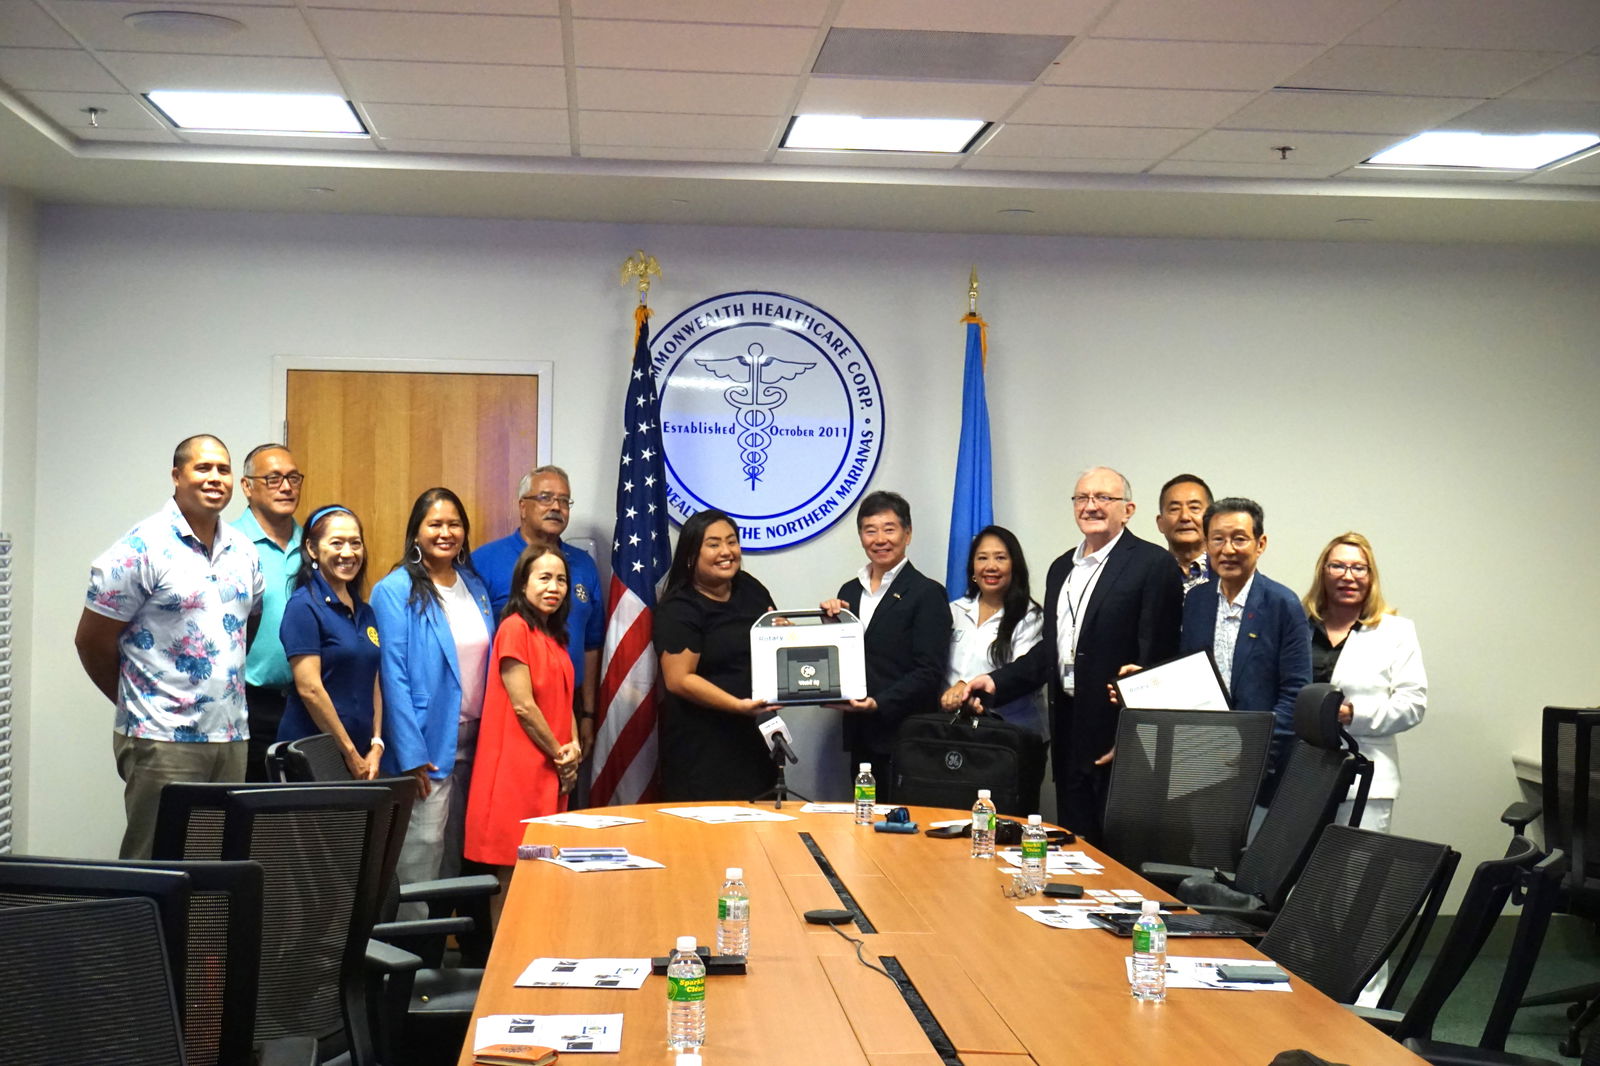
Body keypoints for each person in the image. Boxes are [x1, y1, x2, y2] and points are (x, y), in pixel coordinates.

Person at [957, 468, 1181, 842]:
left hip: (1119, 737)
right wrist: (996, 681)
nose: (1091, 506)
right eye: (1082, 498)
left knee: (1119, 855)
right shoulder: (1062, 568)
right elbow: (1052, 650)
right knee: (1075, 848)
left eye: (1103, 498)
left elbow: (1159, 657)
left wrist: (1136, 734)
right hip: (1068, 730)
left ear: (1128, 510)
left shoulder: (1152, 564)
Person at [75, 434, 263, 859]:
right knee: (156, 861)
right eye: (203, 468)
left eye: (223, 469)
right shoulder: (141, 548)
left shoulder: (243, 550)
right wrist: (138, 699)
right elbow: (91, 640)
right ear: (177, 476)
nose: (215, 478)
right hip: (161, 736)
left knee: (218, 863)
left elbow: (246, 625)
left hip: (230, 734)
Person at [373, 487, 495, 887]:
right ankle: (411, 930)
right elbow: (392, 674)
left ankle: (444, 929)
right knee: (421, 854)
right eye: (435, 524)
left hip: (476, 742)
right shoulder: (394, 589)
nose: (446, 533)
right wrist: (410, 753)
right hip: (426, 742)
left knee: (456, 855)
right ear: (416, 532)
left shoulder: (474, 586)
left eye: (454, 524)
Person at [821, 491, 950, 800]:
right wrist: (829, 627)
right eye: (870, 530)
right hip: (861, 735)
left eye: (889, 529)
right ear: (861, 536)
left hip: (906, 737)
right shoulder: (849, 592)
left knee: (901, 823)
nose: (880, 539)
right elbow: (848, 657)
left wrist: (879, 703)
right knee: (863, 819)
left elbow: (929, 671)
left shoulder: (927, 593)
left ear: (908, 533)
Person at [471, 465, 605, 758]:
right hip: (510, 705)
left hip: (570, 707)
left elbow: (592, 645)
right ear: (523, 506)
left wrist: (588, 714)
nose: (556, 507)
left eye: (564, 500)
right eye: (545, 497)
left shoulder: (584, 565)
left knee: (566, 783)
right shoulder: (484, 561)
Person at [465, 546, 579, 875]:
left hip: (550, 766)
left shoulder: (554, 635)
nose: (553, 587)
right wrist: (561, 756)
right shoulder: (514, 628)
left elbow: (565, 699)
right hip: (517, 772)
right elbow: (524, 706)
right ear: (523, 584)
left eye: (561, 580)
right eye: (544, 578)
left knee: (541, 866)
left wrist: (574, 747)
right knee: (515, 868)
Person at [1180, 497, 1310, 782]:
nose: (1228, 550)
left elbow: (1296, 693)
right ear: (1206, 544)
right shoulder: (1196, 601)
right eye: (1217, 539)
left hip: (1262, 762)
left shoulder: (1283, 604)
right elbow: (1188, 674)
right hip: (1201, 755)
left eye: (1239, 539)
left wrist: (1253, 746)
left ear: (1260, 544)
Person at [1302, 532, 1427, 831]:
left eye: (1358, 568)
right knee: (1293, 862)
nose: (1348, 576)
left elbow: (1413, 705)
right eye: (1337, 566)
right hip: (1300, 777)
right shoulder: (1299, 626)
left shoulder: (1396, 632)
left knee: (1352, 862)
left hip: (1366, 781)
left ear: (1371, 576)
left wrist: (1353, 715)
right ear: (1322, 572)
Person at [654, 509, 780, 801]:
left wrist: (787, 635)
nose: (726, 551)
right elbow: (679, 680)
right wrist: (737, 706)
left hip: (755, 741)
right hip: (703, 749)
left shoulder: (750, 588)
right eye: (713, 544)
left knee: (762, 825)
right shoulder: (679, 608)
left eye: (732, 541)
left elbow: (774, 641)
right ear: (690, 556)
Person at [276, 505, 383, 780]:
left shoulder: (365, 611)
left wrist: (376, 744)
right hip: (313, 756)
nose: (348, 553)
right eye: (337, 543)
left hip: (361, 755)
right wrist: (350, 754)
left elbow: (373, 680)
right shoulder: (303, 606)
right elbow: (310, 689)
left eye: (355, 543)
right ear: (312, 549)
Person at [232, 443, 304, 781]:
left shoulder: (314, 545)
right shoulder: (228, 543)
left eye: (293, 478)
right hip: (248, 704)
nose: (286, 487)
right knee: (250, 805)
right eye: (273, 479)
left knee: (303, 808)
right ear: (247, 486)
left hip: (307, 704)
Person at [938, 525, 1046, 737]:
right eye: (982, 558)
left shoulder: (1030, 617)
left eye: (1000, 558)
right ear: (972, 568)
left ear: (1015, 566)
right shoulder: (953, 611)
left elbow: (1022, 676)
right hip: (956, 730)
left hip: (1012, 734)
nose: (990, 566)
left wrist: (968, 690)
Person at [1155, 473, 1213, 597]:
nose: (1185, 517)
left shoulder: (1232, 573)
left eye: (1194, 508)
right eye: (1174, 509)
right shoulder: (1148, 574)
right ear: (1160, 523)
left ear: (1212, 519)